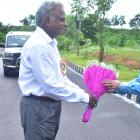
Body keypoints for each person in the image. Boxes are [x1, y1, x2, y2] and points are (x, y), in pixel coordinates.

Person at [18, 1, 97, 140]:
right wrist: (84, 97)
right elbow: (49, 85)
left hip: (48, 107)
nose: (65, 23)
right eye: (61, 19)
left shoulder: (51, 44)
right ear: (48, 20)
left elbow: (61, 77)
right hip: (38, 108)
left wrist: (81, 91)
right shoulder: (39, 45)